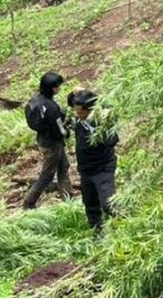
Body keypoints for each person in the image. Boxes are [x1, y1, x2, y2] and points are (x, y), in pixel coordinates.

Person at [65, 89, 118, 232]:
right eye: (76, 112)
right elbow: (70, 101)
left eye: (81, 113)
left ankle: (123, 224)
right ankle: (97, 231)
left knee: (108, 203)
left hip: (102, 168)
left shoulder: (100, 122)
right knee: (90, 204)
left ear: (90, 110)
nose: (78, 115)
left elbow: (112, 139)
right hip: (85, 169)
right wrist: (74, 93)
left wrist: (101, 130)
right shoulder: (79, 118)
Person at [22, 72, 71, 208]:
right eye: (58, 86)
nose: (59, 88)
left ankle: (68, 197)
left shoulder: (35, 101)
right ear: (53, 88)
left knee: (63, 166)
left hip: (43, 139)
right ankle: (29, 202)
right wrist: (67, 133)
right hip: (53, 144)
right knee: (47, 175)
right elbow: (59, 128)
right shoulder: (51, 107)